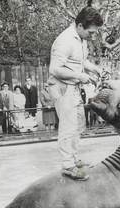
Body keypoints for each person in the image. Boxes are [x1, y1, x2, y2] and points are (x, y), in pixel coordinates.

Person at [48, 6, 103, 180]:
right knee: (68, 127)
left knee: (78, 124)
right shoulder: (65, 40)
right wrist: (80, 76)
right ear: (80, 25)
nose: (93, 36)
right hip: (62, 88)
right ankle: (68, 166)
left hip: (74, 88)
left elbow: (81, 61)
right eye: (91, 32)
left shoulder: (81, 39)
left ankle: (73, 158)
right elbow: (55, 69)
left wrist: (96, 69)